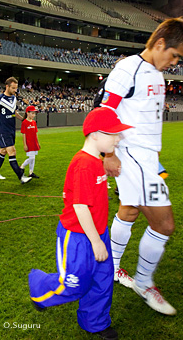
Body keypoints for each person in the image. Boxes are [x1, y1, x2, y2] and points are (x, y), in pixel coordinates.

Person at [101, 17, 183, 315]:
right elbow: (105, 109)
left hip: (146, 157)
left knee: (129, 211)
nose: (175, 62)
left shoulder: (156, 73)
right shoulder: (128, 68)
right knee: (164, 224)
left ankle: (112, 268)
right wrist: (109, 154)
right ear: (159, 44)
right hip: (131, 155)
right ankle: (144, 282)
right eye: (175, 54)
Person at [29, 107, 133, 340]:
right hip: (78, 237)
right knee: (74, 284)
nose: (118, 138)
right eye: (113, 134)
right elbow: (80, 206)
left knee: (102, 280)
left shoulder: (96, 160)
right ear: (95, 134)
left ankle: (94, 322)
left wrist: (99, 236)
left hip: (98, 232)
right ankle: (38, 287)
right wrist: (95, 241)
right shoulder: (84, 164)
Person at [0, 77, 32, 183]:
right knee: (12, 151)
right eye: (13, 88)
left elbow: (14, 112)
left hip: (11, 130)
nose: (15, 90)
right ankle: (21, 176)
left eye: (16, 88)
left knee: (3, 151)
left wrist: (22, 119)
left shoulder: (13, 98)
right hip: (3, 130)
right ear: (7, 86)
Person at [20, 105, 40, 178]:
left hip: (34, 142)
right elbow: (23, 134)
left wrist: (38, 142)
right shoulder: (24, 122)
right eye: (32, 113)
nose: (33, 115)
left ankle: (31, 172)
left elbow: (36, 133)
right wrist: (25, 144)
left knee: (33, 158)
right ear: (27, 113)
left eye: (34, 113)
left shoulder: (34, 122)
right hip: (29, 142)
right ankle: (22, 166)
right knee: (31, 158)